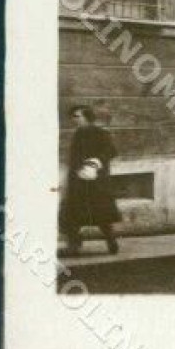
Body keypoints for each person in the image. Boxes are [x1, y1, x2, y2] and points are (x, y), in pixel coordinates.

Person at [61, 106, 120, 256]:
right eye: (73, 116)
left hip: (96, 183)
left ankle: (111, 242)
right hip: (78, 183)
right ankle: (73, 246)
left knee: (101, 215)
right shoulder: (78, 134)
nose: (74, 119)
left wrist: (94, 163)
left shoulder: (101, 133)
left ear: (87, 117)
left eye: (77, 116)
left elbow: (111, 151)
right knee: (71, 215)